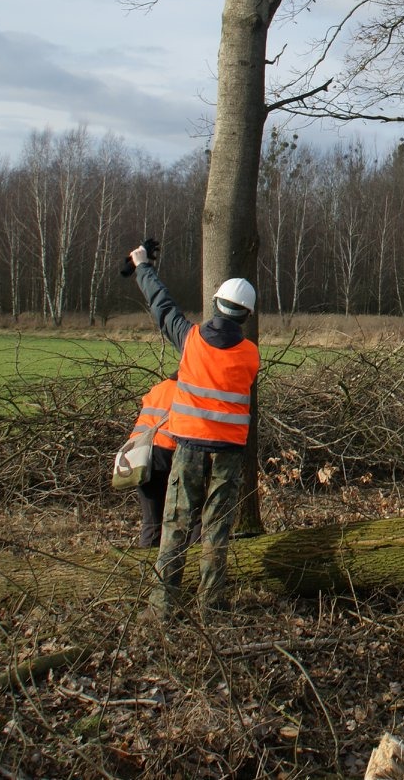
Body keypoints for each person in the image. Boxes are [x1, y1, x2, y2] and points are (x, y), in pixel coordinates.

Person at [128, 243, 260, 616]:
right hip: (229, 454)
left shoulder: (190, 340)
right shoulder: (251, 354)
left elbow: (162, 306)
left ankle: (162, 605)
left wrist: (143, 267)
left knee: (175, 525)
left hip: (187, 449)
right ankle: (211, 606)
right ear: (246, 314)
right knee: (216, 528)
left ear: (217, 303)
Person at [128, 378, 181, 549]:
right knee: (193, 516)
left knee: (151, 521)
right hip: (167, 452)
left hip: (140, 453)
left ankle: (146, 564)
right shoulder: (188, 389)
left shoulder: (158, 388)